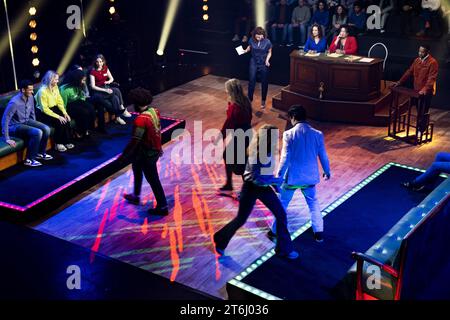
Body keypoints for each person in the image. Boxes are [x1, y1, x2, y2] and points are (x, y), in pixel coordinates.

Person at [214, 124, 299, 260]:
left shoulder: (269, 151)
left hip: (263, 188)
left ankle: (285, 249)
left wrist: (274, 184)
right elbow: (255, 178)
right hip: (251, 188)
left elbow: (265, 174)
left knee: (281, 215)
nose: (278, 138)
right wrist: (274, 181)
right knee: (241, 219)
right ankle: (220, 238)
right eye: (275, 136)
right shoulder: (256, 154)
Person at [269, 105, 330, 243]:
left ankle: (274, 231)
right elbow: (323, 156)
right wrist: (327, 171)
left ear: (293, 117)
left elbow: (285, 157)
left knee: (283, 204)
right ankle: (318, 233)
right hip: (310, 178)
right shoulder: (317, 134)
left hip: (292, 179)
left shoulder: (288, 135)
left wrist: (279, 177)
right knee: (313, 203)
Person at [119, 87, 168, 216]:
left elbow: (135, 141)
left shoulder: (140, 120)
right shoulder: (154, 111)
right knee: (136, 168)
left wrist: (124, 155)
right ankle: (135, 195)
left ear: (135, 103)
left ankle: (163, 206)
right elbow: (158, 130)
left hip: (147, 153)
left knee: (153, 179)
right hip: (152, 150)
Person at [1, 80, 52, 167]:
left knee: (46, 128)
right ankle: (29, 159)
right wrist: (7, 138)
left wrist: (35, 124)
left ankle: (40, 152)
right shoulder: (14, 102)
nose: (32, 91)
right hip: (14, 126)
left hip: (26, 121)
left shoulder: (31, 96)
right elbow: (5, 120)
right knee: (37, 132)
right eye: (30, 90)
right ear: (23, 90)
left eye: (32, 89)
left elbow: (32, 112)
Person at [217, 78, 253, 193]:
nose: (226, 91)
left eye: (227, 89)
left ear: (231, 90)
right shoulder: (245, 100)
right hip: (247, 132)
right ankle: (232, 184)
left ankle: (241, 187)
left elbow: (229, 122)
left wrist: (221, 136)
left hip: (240, 135)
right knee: (240, 160)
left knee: (237, 161)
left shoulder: (235, 106)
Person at [394, 44, 438, 136]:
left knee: (423, 111)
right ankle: (423, 126)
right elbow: (409, 72)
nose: (420, 53)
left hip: (426, 92)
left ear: (427, 52)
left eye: (422, 51)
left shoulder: (433, 62)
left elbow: (431, 79)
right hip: (416, 90)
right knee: (419, 110)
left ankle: (421, 130)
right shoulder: (417, 60)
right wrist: (399, 82)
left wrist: (424, 89)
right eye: (419, 51)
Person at [35, 71, 74, 152]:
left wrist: (64, 113)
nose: (57, 81)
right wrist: (58, 117)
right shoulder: (42, 91)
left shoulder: (55, 86)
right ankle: (58, 143)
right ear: (50, 79)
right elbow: (44, 109)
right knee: (59, 122)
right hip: (43, 112)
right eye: (56, 79)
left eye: (57, 79)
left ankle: (66, 141)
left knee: (66, 119)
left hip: (53, 108)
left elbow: (59, 101)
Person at [89, 54, 131, 125]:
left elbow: (112, 78)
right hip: (98, 91)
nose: (99, 63)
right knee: (116, 90)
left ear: (103, 62)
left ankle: (117, 118)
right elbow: (93, 86)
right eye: (97, 62)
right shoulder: (93, 72)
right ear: (95, 62)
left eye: (101, 61)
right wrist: (105, 90)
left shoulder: (105, 68)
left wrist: (108, 81)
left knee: (115, 98)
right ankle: (122, 108)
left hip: (106, 87)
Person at [59, 69, 97, 139]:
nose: (84, 82)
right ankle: (79, 132)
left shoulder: (79, 85)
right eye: (82, 80)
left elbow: (82, 96)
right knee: (84, 112)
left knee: (91, 108)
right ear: (76, 80)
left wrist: (82, 102)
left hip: (77, 102)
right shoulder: (64, 90)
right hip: (68, 105)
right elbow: (62, 105)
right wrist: (65, 114)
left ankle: (87, 129)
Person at [244, 26, 273, 109]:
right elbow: (249, 47)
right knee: (252, 80)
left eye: (260, 36)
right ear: (254, 35)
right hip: (254, 61)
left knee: (264, 81)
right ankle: (250, 99)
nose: (259, 38)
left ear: (263, 35)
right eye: (257, 36)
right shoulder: (251, 40)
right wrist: (246, 50)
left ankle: (263, 100)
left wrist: (267, 60)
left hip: (263, 62)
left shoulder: (267, 42)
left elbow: (270, 52)